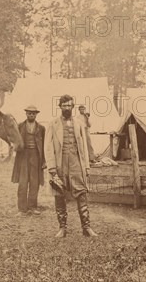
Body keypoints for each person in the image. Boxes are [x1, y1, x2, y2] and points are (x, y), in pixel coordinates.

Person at [45, 95, 98, 237]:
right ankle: (62, 228)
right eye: (64, 105)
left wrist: (86, 166)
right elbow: (48, 147)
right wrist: (51, 168)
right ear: (60, 106)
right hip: (60, 163)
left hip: (76, 162)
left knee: (81, 193)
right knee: (59, 193)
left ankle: (86, 227)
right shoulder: (52, 124)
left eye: (69, 106)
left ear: (73, 107)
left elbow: (84, 147)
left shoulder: (79, 123)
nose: (67, 108)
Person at [11, 105, 46, 216]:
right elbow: (14, 140)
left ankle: (32, 207)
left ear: (36, 114)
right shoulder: (20, 126)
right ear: (26, 114)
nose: (31, 115)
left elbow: (44, 145)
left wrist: (44, 161)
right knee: (23, 183)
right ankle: (22, 209)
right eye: (29, 113)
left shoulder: (41, 128)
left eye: (33, 113)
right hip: (23, 156)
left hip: (36, 156)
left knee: (34, 183)